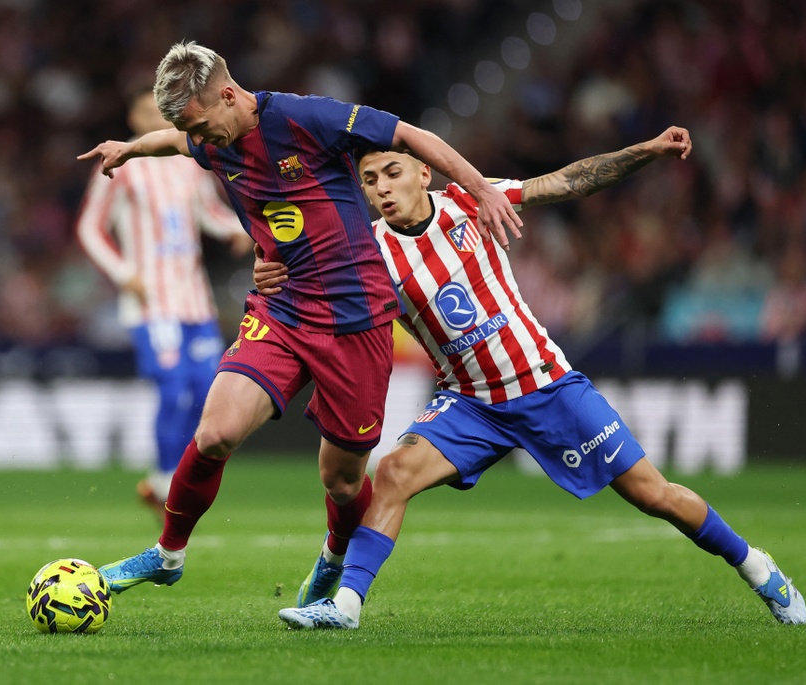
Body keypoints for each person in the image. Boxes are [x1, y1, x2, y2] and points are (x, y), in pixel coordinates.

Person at [258, 127, 806, 629]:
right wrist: (268, 270)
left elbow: (569, 181)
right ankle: (346, 606)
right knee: (395, 471)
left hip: (545, 385)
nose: (381, 188)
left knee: (654, 494)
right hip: (469, 401)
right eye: (370, 179)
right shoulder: (368, 254)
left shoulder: (471, 202)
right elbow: (303, 282)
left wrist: (645, 151)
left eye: (393, 172)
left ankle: (758, 568)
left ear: (425, 172)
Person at [76, 40, 523, 596]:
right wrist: (131, 148)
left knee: (342, 481)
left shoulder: (303, 117)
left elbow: (410, 136)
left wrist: (480, 189)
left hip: (356, 317)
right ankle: (168, 554)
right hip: (282, 308)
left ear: (228, 95)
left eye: (202, 126)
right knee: (214, 433)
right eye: (192, 131)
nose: (200, 140)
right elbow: (174, 140)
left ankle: (335, 556)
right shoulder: (208, 138)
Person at [76, 87, 250, 514]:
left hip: (195, 300)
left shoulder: (189, 160)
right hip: (151, 301)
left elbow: (207, 212)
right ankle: (163, 479)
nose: (156, 117)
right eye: (146, 111)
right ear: (133, 120)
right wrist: (124, 274)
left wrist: (237, 228)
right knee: (173, 390)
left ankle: (180, 478)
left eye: (161, 110)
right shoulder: (121, 166)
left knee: (207, 392)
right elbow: (89, 227)